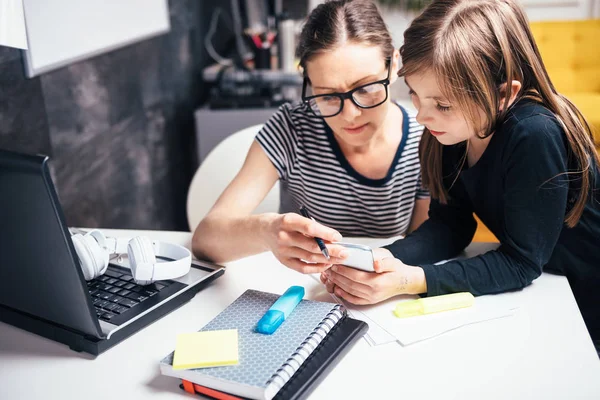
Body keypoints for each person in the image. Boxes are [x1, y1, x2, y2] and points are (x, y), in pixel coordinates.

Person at [320, 0, 600, 351]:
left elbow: (520, 263)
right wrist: (386, 259)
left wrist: (409, 280)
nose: (421, 115)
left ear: (504, 95)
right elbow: (450, 226)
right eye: (416, 96)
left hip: (586, 300)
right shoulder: (450, 130)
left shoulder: (535, 133)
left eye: (442, 104)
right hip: (550, 287)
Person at [192, 0, 430, 273]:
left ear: (394, 65)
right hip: (301, 291)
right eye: (327, 95)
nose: (350, 115)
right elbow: (205, 239)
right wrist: (266, 231)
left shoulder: (425, 140)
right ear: (308, 82)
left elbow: (422, 245)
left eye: (366, 88)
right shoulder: (290, 130)